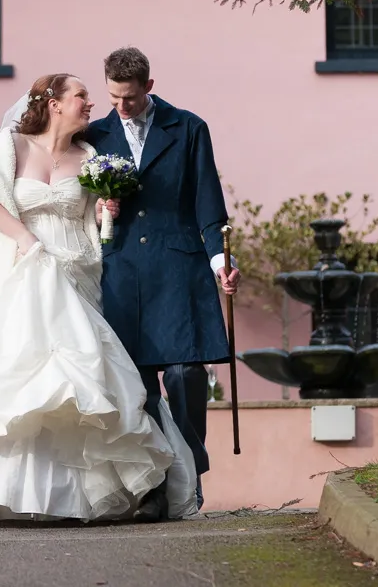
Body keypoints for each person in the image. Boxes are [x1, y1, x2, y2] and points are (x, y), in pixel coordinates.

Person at [0, 73, 198, 525]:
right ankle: (3, 492)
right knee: (22, 373)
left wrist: (102, 211)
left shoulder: (90, 156)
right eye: (81, 96)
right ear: (54, 103)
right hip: (25, 271)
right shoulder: (13, 146)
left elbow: (88, 223)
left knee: (78, 380)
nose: (90, 104)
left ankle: (76, 497)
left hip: (78, 272)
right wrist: (24, 241)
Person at [85, 47, 241, 520]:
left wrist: (220, 263)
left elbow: (208, 204)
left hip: (179, 268)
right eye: (114, 97)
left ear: (148, 87)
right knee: (137, 386)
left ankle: (190, 470)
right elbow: (77, 203)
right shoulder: (94, 135)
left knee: (184, 374)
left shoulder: (189, 128)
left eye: (130, 98)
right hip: (121, 270)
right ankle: (153, 489)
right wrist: (99, 209)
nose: (122, 107)